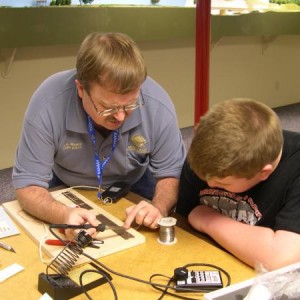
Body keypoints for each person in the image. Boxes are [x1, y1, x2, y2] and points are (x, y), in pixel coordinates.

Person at [12, 32, 186, 239]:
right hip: (66, 180)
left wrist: (158, 207)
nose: (121, 116)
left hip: (133, 180)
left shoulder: (158, 103)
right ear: (80, 89)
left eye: (131, 105)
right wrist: (63, 213)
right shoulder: (48, 102)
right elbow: (28, 185)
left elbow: (172, 174)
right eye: (107, 107)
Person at [176, 98, 300, 271]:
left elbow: (281, 259)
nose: (208, 183)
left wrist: (207, 219)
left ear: (263, 172)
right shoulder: (206, 160)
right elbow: (184, 225)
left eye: (222, 182)